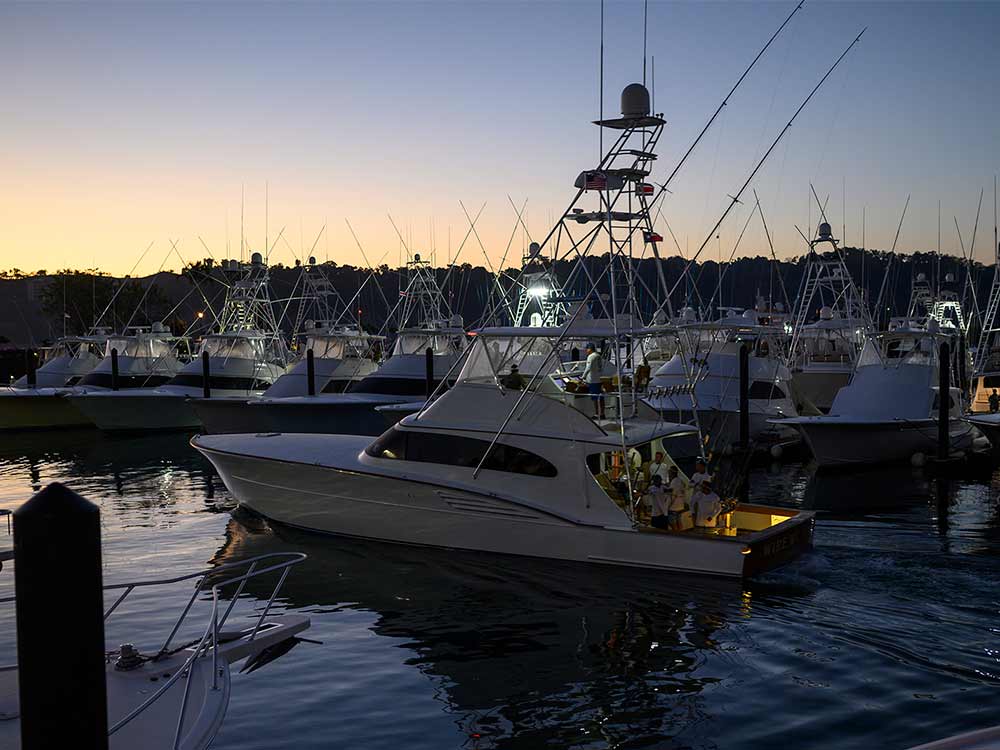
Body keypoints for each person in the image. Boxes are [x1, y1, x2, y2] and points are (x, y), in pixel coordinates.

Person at [583, 343, 605, 419]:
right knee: (600, 397)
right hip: (599, 379)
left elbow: (588, 368)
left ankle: (597, 414)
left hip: (593, 380)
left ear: (590, 349)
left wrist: (583, 377)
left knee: (595, 398)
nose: (586, 351)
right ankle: (602, 413)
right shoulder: (598, 356)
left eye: (587, 349)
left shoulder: (591, 357)